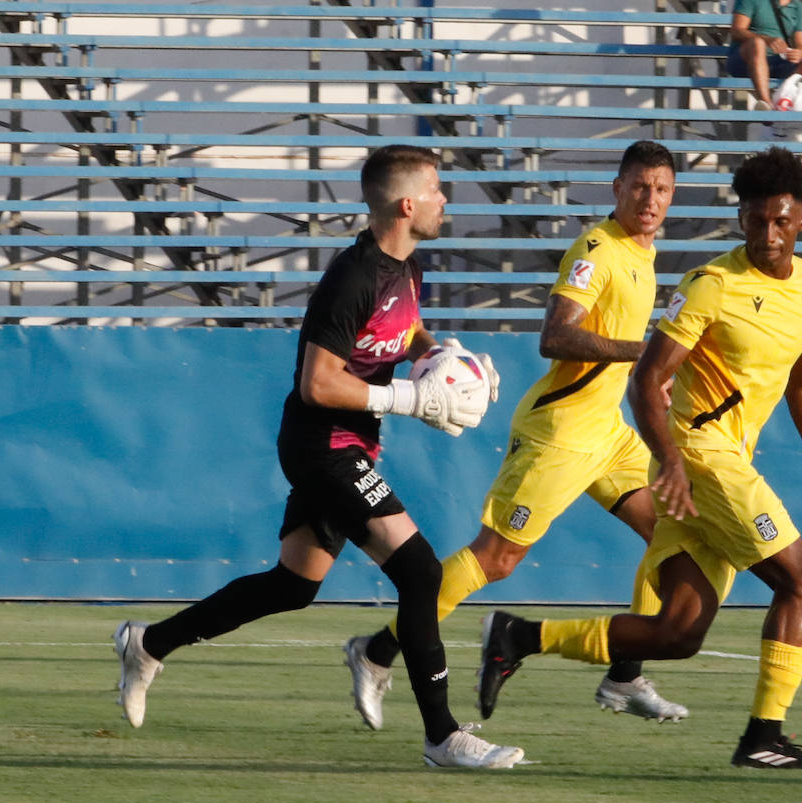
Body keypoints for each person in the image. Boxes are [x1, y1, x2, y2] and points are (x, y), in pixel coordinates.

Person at [112, 145, 525, 769]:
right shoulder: (352, 277)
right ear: (407, 204)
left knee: (293, 585)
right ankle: (442, 735)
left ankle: (148, 643)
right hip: (320, 444)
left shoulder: (407, 269)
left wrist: (449, 366)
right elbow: (317, 382)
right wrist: (411, 395)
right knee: (420, 573)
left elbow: (405, 329)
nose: (446, 200)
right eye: (438, 190)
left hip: (351, 443)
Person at [475, 147, 802, 770]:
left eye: (781, 222)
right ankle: (765, 736)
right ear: (740, 219)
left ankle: (519, 637)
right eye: (756, 221)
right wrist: (671, 461)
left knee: (677, 635)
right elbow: (646, 380)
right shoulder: (711, 285)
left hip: (721, 462)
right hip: (703, 460)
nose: (767, 234)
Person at [342, 140, 689, 730]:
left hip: (607, 431)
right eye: (638, 186)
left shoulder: (643, 252)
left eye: (660, 189)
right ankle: (375, 653)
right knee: (495, 559)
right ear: (616, 189)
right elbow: (555, 336)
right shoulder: (597, 251)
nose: (649, 199)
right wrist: (647, 353)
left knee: (676, 532)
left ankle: (625, 674)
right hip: (560, 432)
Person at [728, 0, 802, 115]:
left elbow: (801, 44)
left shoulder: (797, 6)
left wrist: (799, 52)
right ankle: (766, 105)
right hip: (744, 60)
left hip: (778, 61)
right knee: (757, 44)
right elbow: (737, 31)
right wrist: (766, 40)